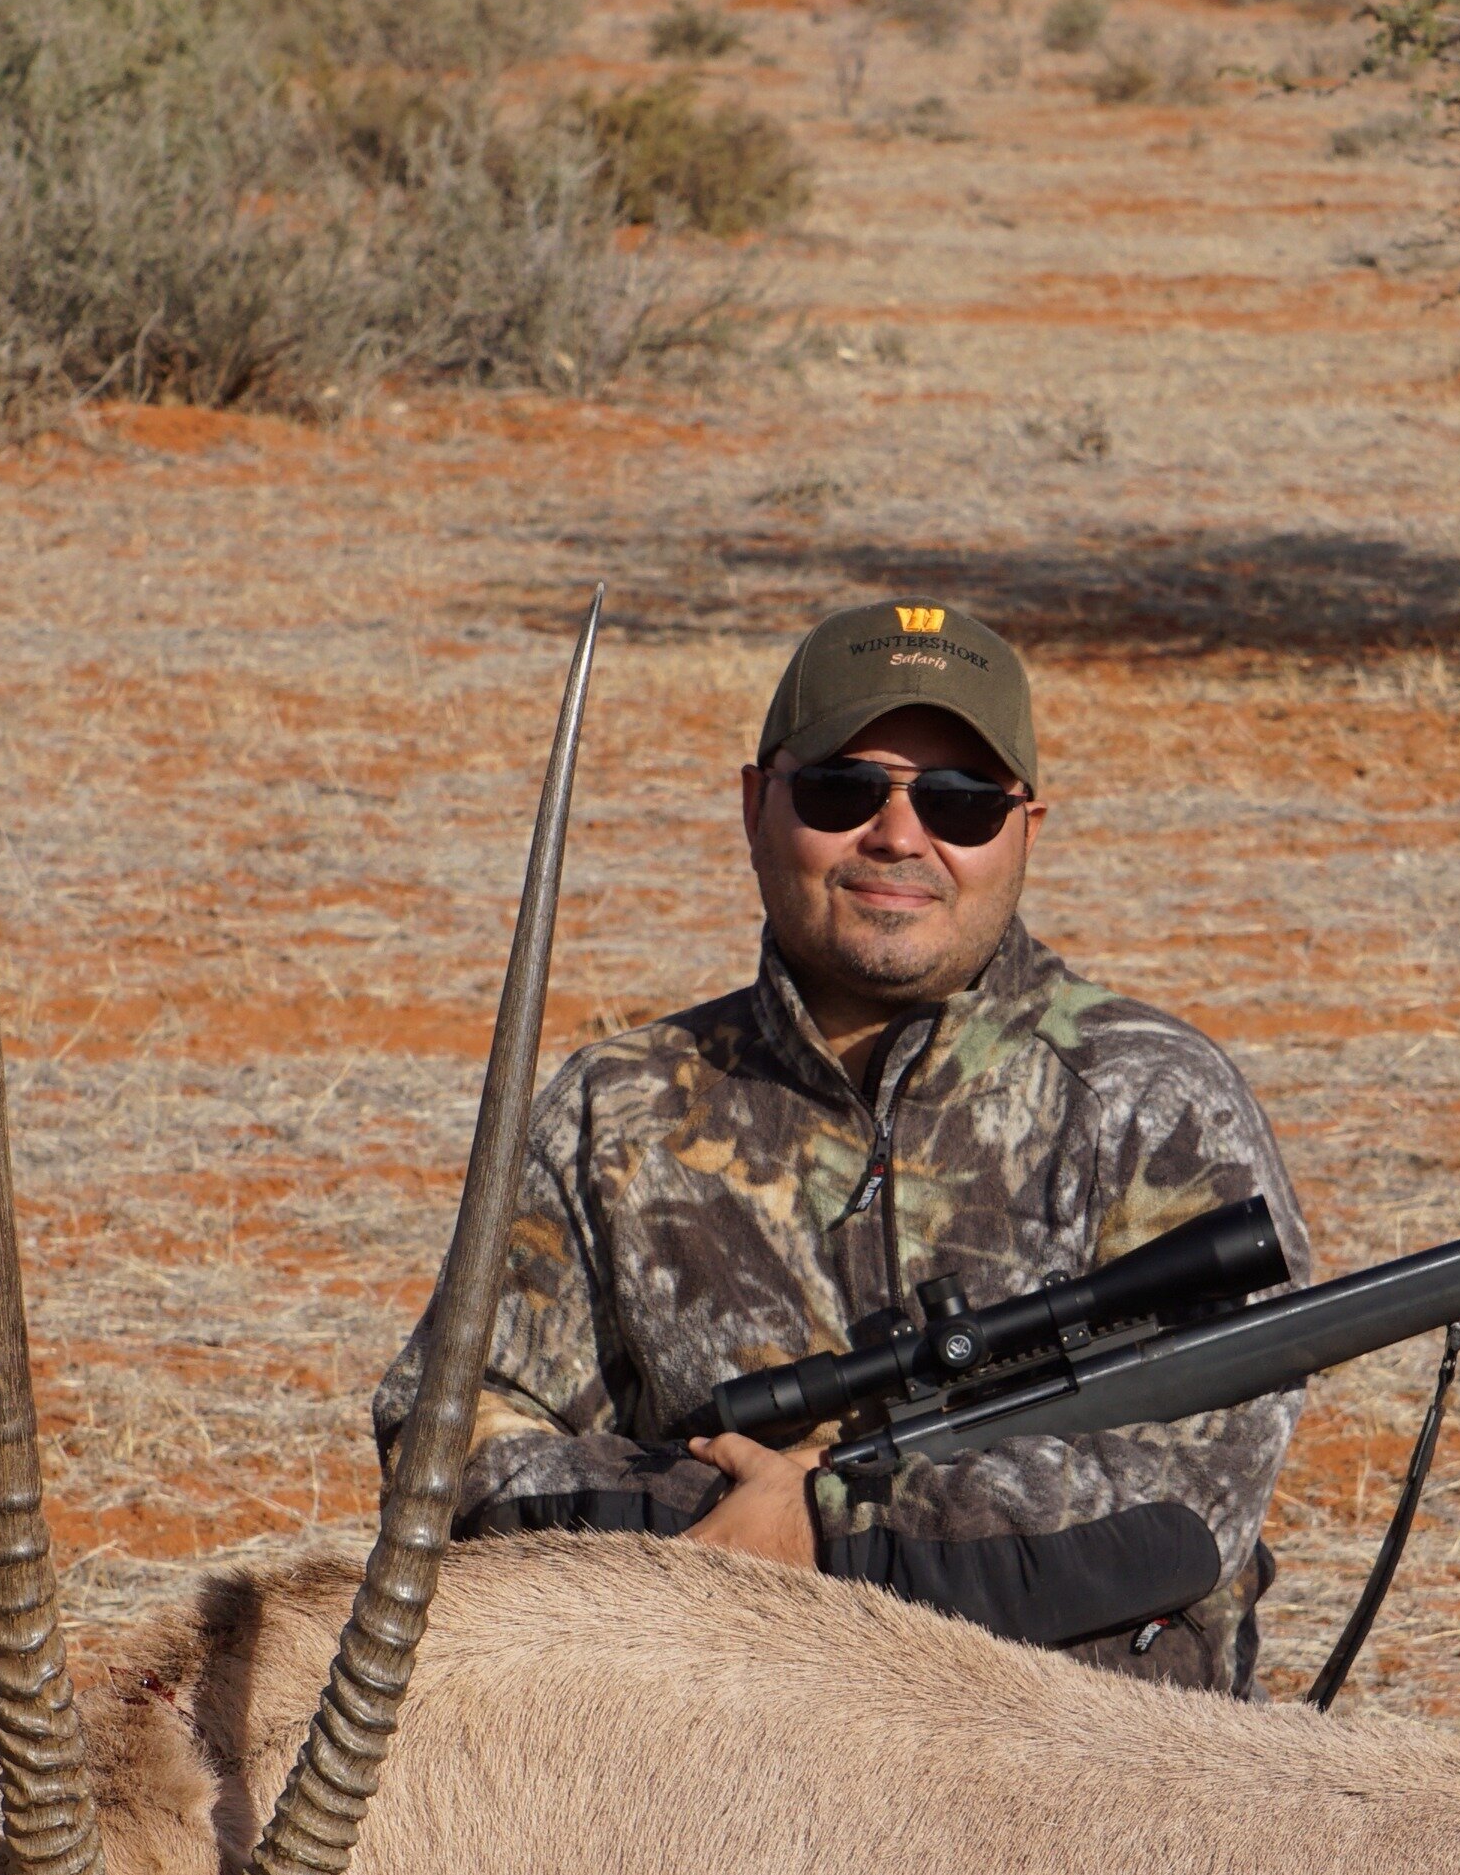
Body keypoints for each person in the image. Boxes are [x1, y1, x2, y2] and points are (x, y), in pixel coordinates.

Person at [376, 596, 1311, 1691]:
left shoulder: (1154, 1099)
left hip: (1090, 1794)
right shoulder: (611, 1108)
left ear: (1026, 831)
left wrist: (821, 1534)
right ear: (755, 804)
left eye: (961, 802)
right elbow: (449, 1437)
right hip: (707, 1753)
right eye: (842, 788)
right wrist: (718, 1528)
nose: (900, 836)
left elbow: (1185, 1501)